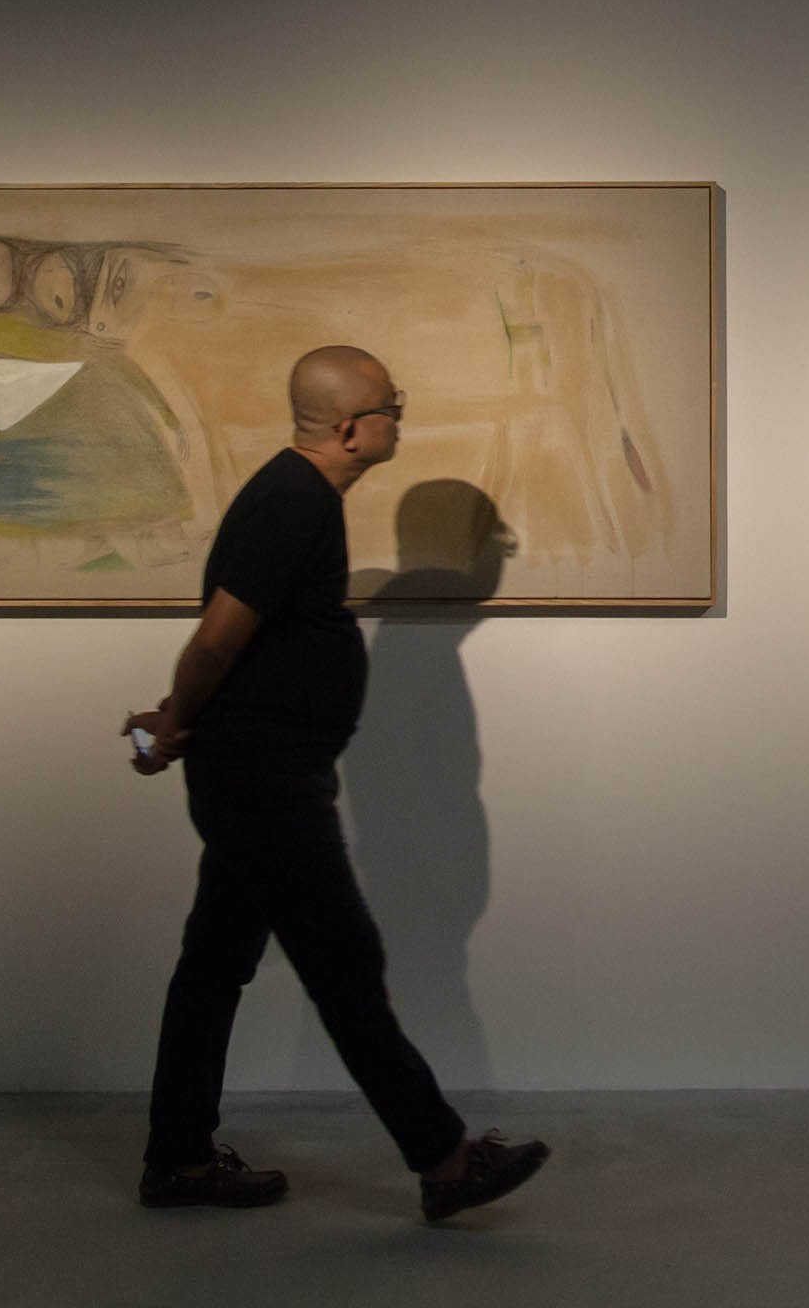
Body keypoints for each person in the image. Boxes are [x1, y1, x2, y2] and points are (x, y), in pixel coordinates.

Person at [126, 344, 548, 1223]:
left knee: (214, 966)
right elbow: (217, 635)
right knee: (344, 966)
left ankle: (179, 1158)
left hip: (259, 773)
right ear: (353, 429)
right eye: (393, 405)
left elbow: (254, 646)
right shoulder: (293, 501)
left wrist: (185, 714)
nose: (401, 417)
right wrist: (175, 725)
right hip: (265, 784)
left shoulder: (298, 499)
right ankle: (445, 1161)